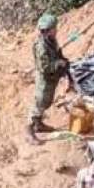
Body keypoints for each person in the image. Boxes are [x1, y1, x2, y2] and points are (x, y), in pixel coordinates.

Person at [27, 13, 71, 144]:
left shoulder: (52, 41)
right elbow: (44, 67)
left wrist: (63, 61)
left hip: (52, 78)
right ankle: (29, 132)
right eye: (54, 28)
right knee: (39, 103)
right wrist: (58, 64)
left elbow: (58, 53)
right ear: (47, 30)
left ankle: (38, 124)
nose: (56, 30)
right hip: (45, 80)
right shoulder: (41, 46)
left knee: (46, 102)